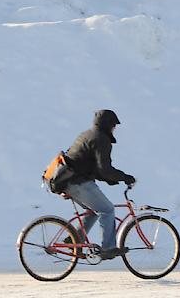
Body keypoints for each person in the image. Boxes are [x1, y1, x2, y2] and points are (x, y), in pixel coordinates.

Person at [63, 109, 135, 260]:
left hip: (67, 180)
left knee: (93, 210)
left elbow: (94, 167)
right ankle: (108, 248)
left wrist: (112, 179)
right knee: (107, 210)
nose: (115, 128)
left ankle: (74, 240)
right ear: (108, 124)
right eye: (114, 125)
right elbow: (104, 169)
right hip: (77, 181)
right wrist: (124, 177)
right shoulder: (101, 139)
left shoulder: (87, 134)